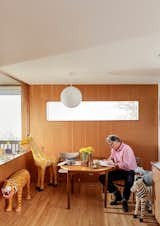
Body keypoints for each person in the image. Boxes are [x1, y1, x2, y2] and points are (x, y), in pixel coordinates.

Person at [99, 135, 137, 212]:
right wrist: (106, 161)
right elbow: (111, 157)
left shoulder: (127, 149)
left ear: (117, 141)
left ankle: (124, 201)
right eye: (109, 144)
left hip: (130, 170)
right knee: (102, 178)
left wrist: (115, 164)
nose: (110, 146)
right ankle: (117, 194)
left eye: (111, 144)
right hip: (121, 170)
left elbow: (128, 164)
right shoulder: (114, 149)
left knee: (129, 182)